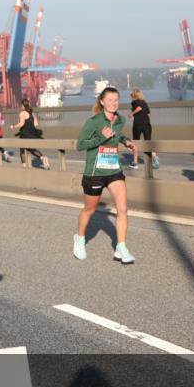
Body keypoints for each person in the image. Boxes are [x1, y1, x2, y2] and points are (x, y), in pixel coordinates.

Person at [74, 87, 137, 264]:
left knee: (123, 209)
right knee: (90, 210)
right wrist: (101, 138)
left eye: (116, 99)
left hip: (113, 170)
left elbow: (117, 134)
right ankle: (79, 239)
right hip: (95, 173)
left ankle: (121, 247)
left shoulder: (120, 119)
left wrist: (126, 141)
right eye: (110, 100)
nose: (114, 103)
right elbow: (80, 145)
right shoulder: (93, 121)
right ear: (102, 102)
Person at [11, 99, 50, 169]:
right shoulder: (31, 113)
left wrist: (13, 126)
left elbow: (21, 124)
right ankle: (42, 157)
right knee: (32, 149)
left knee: (22, 150)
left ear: (22, 105)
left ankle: (24, 166)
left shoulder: (22, 113)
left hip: (25, 133)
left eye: (21, 105)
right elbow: (36, 124)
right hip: (32, 133)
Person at [128, 89, 159, 170]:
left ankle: (135, 163)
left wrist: (132, 113)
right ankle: (154, 156)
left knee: (135, 143)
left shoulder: (134, 102)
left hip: (138, 125)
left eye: (132, 96)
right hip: (147, 124)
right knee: (148, 142)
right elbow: (149, 113)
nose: (131, 98)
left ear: (134, 96)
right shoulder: (144, 102)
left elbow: (139, 108)